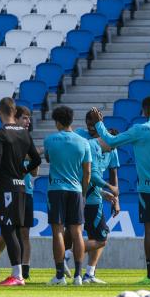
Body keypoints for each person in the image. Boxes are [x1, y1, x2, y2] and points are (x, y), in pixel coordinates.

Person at [90, 96, 150, 285]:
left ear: (146, 110)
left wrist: (100, 124)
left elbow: (111, 141)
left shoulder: (139, 130)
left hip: (147, 189)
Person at [0, 98, 41, 287]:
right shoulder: (25, 134)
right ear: (14, 111)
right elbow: (36, 160)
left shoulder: (1, 133)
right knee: (15, 231)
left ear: (0, 112)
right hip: (21, 188)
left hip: (7, 188)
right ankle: (17, 274)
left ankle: (17, 275)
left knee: (8, 230)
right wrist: (23, 171)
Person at [64, 111, 121, 283]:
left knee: (92, 234)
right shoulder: (84, 140)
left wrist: (112, 196)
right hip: (83, 194)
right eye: (88, 123)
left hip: (92, 194)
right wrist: (109, 188)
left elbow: (112, 173)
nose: (90, 127)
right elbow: (90, 173)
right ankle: (66, 255)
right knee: (96, 236)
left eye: (93, 124)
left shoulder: (110, 146)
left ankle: (89, 272)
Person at [44, 106, 91, 286]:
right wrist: (84, 192)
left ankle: (59, 276)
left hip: (56, 189)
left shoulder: (50, 140)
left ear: (57, 122)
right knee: (77, 232)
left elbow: (48, 159)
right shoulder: (83, 142)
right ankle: (78, 276)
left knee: (57, 232)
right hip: (76, 190)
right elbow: (87, 172)